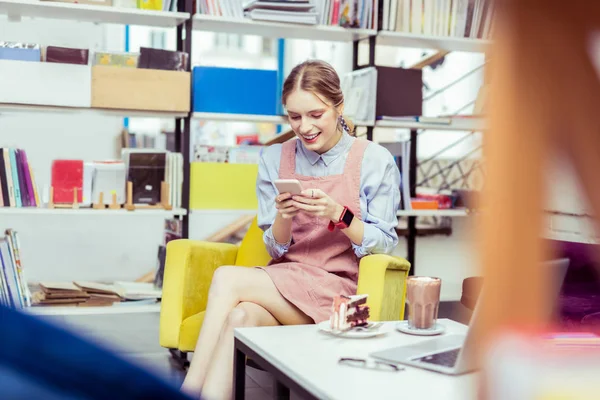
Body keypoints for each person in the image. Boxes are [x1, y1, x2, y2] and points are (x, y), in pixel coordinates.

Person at [180, 59, 401, 399]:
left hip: (345, 296)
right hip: (288, 283)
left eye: (316, 114)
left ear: (338, 106)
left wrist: (339, 214)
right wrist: (283, 215)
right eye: (294, 117)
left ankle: (182, 392)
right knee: (239, 317)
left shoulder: (374, 159)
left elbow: (385, 245)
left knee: (227, 278)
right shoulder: (273, 158)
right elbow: (275, 249)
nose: (305, 127)